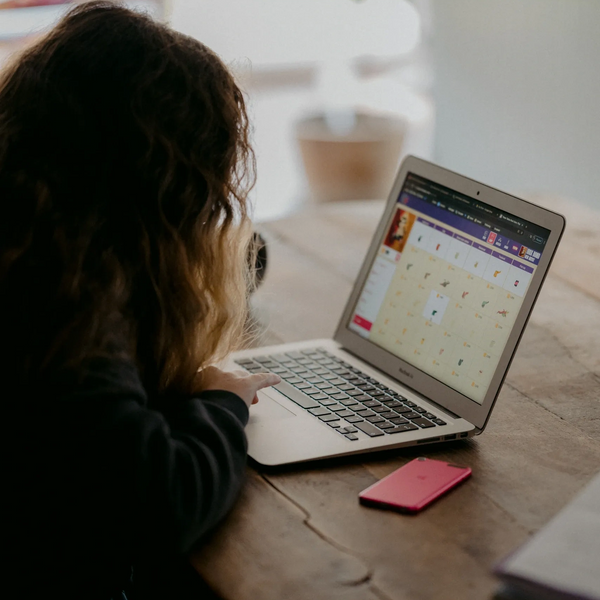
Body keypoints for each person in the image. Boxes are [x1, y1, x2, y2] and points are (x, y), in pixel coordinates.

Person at [0, 2, 280, 598]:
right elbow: (159, 502)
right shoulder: (64, 309)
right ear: (160, 190)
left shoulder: (28, 238)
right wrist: (223, 404)